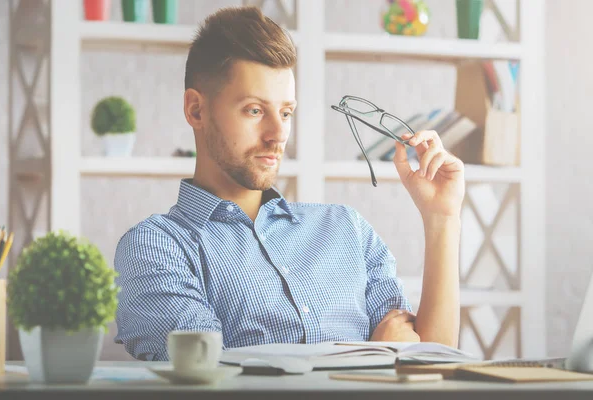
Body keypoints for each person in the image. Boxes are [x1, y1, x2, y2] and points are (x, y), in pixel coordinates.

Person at [113, 6, 465, 361]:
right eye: (254, 110)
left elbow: (430, 362)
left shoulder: (348, 230)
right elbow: (207, 376)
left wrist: (442, 218)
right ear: (196, 110)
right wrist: (378, 351)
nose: (278, 135)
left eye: (286, 113)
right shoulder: (156, 247)